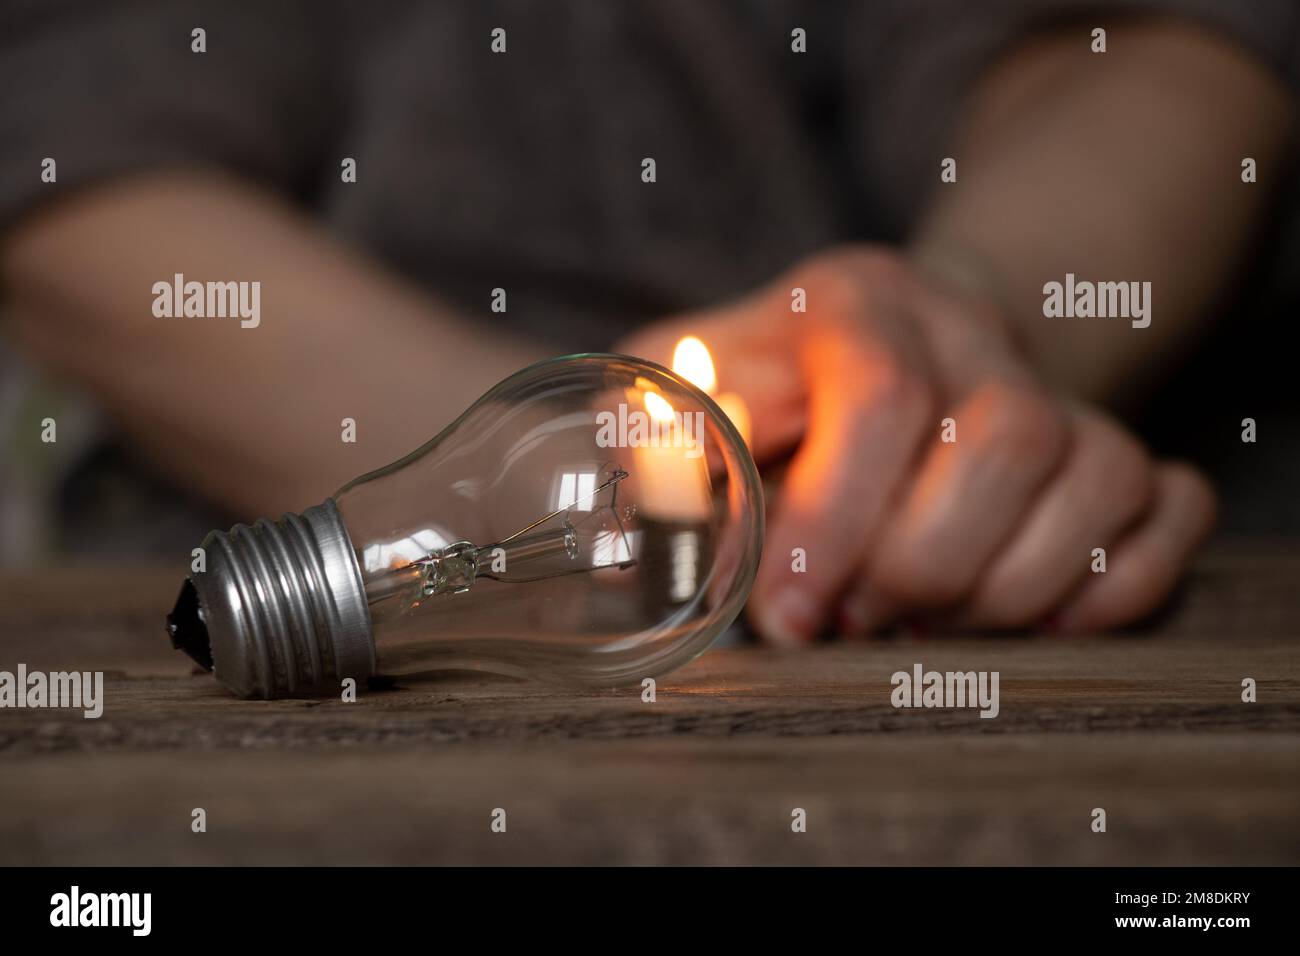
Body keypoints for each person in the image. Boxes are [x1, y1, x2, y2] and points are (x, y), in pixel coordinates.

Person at [0, 2, 1295, 644]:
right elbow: (70, 157)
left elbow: (1168, 44)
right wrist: (568, 497)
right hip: (300, 560)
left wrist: (963, 334)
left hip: (1055, 576)